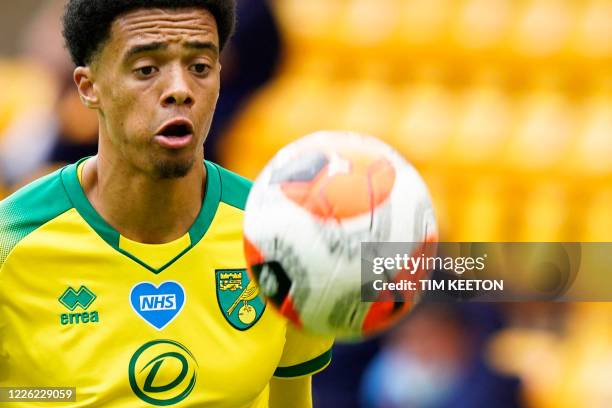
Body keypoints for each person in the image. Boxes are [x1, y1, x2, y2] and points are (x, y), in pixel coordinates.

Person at [0, 1, 332, 407]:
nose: (180, 89)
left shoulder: (283, 237)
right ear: (89, 88)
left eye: (200, 67)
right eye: (146, 69)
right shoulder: (10, 242)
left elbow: (292, 399)